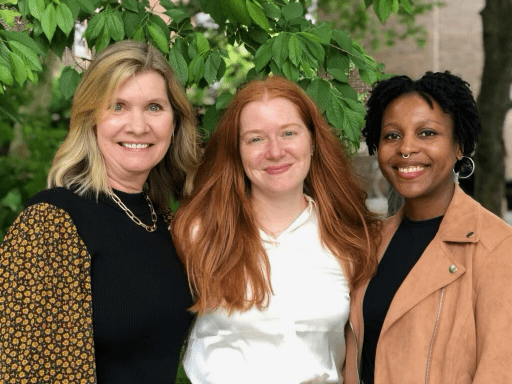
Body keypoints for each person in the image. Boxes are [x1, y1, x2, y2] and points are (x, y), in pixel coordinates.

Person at [0, 41, 201, 383]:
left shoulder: (165, 223)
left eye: (154, 107)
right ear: (92, 118)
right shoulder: (50, 222)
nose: (138, 126)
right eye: (118, 106)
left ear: (175, 121)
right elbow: (25, 372)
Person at [171, 76, 380, 384]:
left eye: (288, 133)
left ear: (312, 140)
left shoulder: (349, 237)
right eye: (256, 139)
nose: (275, 151)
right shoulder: (198, 232)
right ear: (236, 151)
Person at [344, 71, 512, 384]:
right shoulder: (369, 242)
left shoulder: (498, 248)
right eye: (392, 135)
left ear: (459, 145)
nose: (406, 148)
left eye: (427, 133)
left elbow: (499, 372)